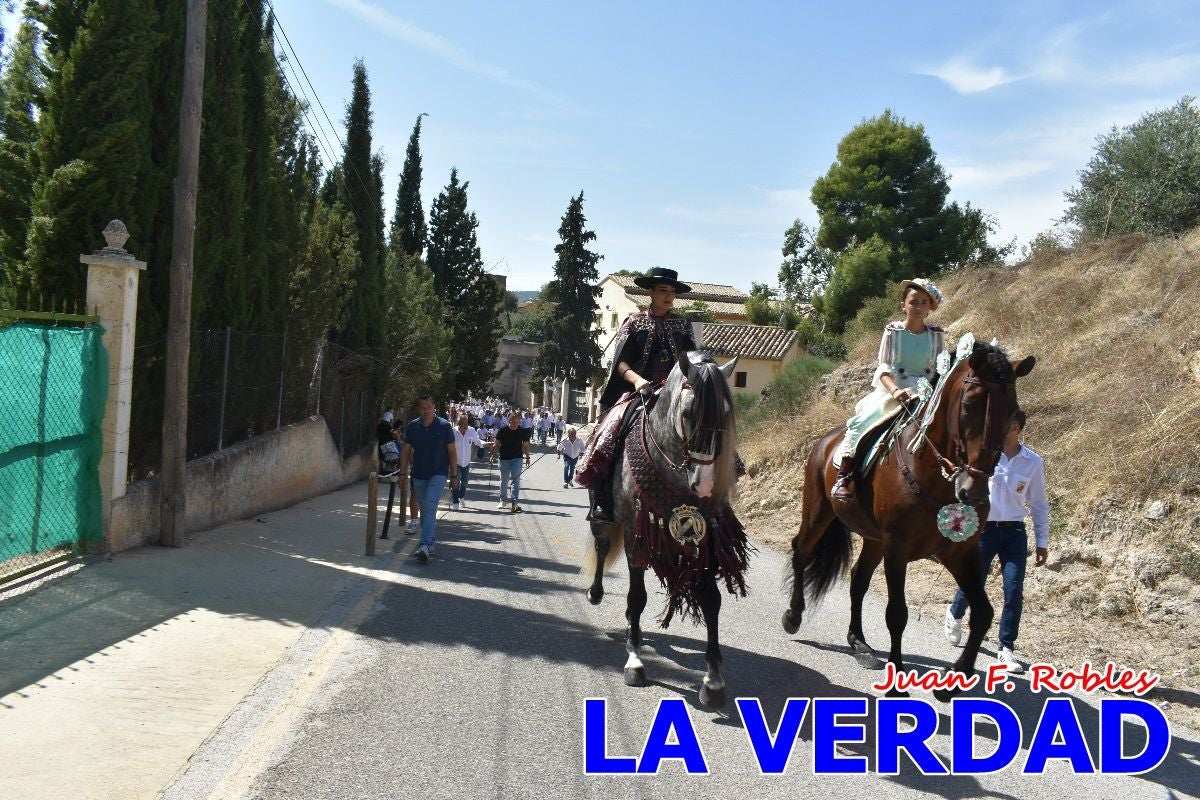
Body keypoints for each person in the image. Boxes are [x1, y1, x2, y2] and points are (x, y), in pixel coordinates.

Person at [575, 267, 698, 522]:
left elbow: (692, 361)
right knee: (608, 434)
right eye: (663, 290)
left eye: (672, 291)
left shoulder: (683, 325)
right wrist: (637, 379)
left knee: (707, 426)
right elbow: (620, 363)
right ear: (651, 292)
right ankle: (602, 499)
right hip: (639, 391)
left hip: (675, 393)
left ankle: (714, 498)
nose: (668, 296)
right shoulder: (634, 323)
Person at [944, 408, 1050, 674]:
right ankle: (955, 613)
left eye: (1009, 426)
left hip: (1014, 533)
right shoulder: (984, 458)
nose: (1003, 430)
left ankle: (1006, 647)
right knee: (974, 582)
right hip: (984, 530)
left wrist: (1042, 540)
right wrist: (957, 526)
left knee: (1013, 590)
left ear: (1017, 429)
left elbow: (1038, 504)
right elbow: (963, 491)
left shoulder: (1033, 462)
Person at [831, 277, 946, 500]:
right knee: (862, 422)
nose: (918, 307)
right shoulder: (893, 331)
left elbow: (940, 370)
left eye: (924, 302)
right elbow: (883, 369)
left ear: (930, 307)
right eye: (913, 302)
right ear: (903, 305)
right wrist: (895, 391)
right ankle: (843, 476)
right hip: (893, 392)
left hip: (926, 394)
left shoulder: (937, 335)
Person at [400, 395, 457, 563]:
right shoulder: (412, 426)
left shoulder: (444, 426)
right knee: (425, 511)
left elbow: (452, 452)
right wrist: (402, 474)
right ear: (419, 409)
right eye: (423, 407)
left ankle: (423, 545)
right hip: (419, 474)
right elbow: (405, 451)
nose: (426, 410)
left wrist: (454, 475)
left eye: (429, 407)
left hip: (438, 473)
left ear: (434, 407)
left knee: (430, 508)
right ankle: (430, 542)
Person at [492, 411, 531, 513]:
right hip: (504, 459)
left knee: (515, 481)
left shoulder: (523, 431)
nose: (514, 424)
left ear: (519, 422)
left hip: (517, 459)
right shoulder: (502, 431)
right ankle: (502, 500)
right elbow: (496, 444)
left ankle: (515, 503)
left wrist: (527, 457)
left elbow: (526, 445)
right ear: (508, 421)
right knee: (504, 481)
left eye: (517, 422)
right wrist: (493, 455)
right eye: (512, 422)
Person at [451, 414, 482, 511]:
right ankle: (455, 501)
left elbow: (477, 441)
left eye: (466, 423)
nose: (464, 425)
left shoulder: (471, 431)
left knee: (464, 483)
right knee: (455, 482)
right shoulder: (453, 431)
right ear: (458, 423)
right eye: (462, 423)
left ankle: (461, 497)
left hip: (466, 462)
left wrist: (486, 444)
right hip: (455, 462)